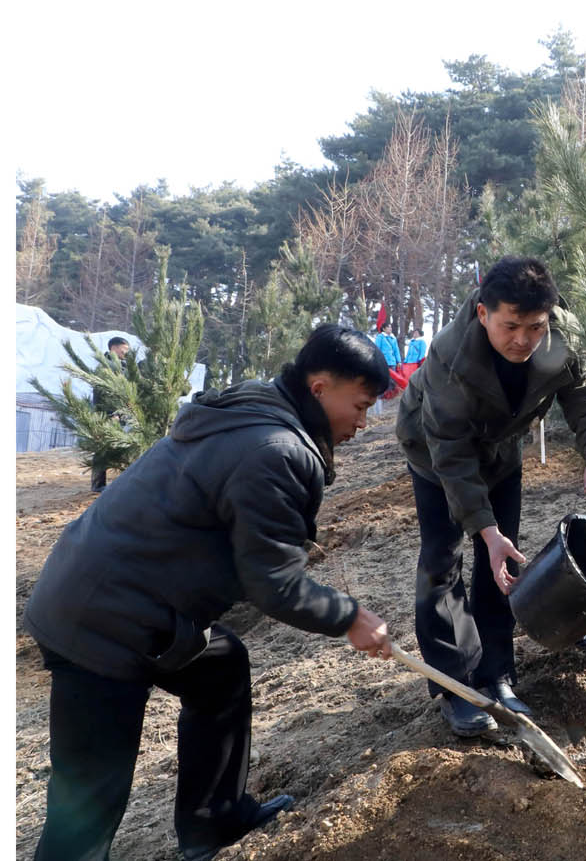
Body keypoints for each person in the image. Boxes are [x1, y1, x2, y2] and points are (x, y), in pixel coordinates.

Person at [23, 325, 394, 861]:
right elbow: (274, 583)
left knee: (220, 666)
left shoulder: (258, 409)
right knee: (88, 802)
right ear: (318, 388)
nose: (362, 423)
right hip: (100, 620)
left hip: (137, 601)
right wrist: (350, 616)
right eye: (359, 406)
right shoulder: (275, 448)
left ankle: (213, 822)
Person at [395, 256, 586, 737]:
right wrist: (484, 526)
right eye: (510, 326)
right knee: (441, 560)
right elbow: (451, 455)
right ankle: (457, 688)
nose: (523, 339)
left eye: (535, 326)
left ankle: (497, 675)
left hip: (501, 449)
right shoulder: (450, 356)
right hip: (435, 453)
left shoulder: (562, 336)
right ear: (483, 314)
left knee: (503, 563)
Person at [90, 336, 132, 492]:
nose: (126, 352)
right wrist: (110, 414)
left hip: (121, 414)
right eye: (124, 349)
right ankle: (98, 485)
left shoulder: (123, 366)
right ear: (114, 348)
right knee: (102, 449)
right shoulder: (105, 366)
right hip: (107, 414)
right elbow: (102, 392)